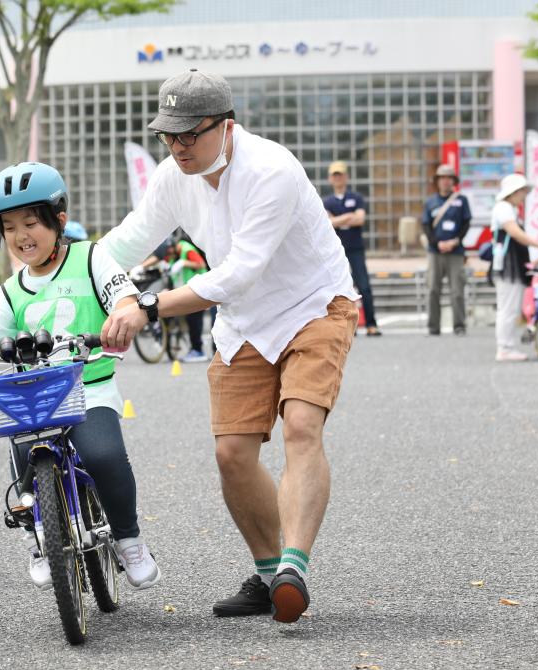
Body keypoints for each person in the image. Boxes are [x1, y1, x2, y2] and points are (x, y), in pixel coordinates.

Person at [97, 69, 359, 623]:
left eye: (190, 134)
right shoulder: (174, 175)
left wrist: (148, 305)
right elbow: (127, 241)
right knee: (232, 455)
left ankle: (294, 565)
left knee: (301, 424)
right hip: (243, 321)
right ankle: (269, 578)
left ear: (227, 126)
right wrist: (66, 269)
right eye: (169, 135)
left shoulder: (271, 169)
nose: (178, 147)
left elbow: (241, 270)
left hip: (314, 305)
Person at [0, 162, 161, 591]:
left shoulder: (91, 257)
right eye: (10, 226)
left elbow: (122, 294)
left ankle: (129, 540)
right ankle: (42, 540)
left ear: (59, 219)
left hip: (89, 385)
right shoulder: (11, 289)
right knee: (24, 466)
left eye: (31, 222)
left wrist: (127, 315)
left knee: (104, 455)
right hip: (35, 395)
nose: (21, 235)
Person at [489, 174, 538, 362]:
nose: (524, 196)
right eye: (522, 192)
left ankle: (506, 346)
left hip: (512, 265)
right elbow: (515, 233)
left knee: (510, 307)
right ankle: (504, 348)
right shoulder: (504, 208)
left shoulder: (509, 209)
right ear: (513, 192)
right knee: (508, 308)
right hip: (508, 266)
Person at [324, 161, 380, 336]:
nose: (338, 178)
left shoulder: (356, 198)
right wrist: (349, 216)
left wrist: (338, 219)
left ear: (346, 177)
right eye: (335, 175)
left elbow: (360, 219)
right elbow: (327, 223)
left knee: (363, 285)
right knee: (338, 288)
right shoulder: (327, 201)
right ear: (330, 179)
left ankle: (371, 324)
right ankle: (345, 326)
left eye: (340, 175)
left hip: (355, 248)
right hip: (337, 250)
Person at [421, 165, 472, 336]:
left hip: (456, 251)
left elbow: (466, 224)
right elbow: (426, 226)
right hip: (435, 251)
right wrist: (437, 244)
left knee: (457, 289)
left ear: (453, 181)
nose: (445, 181)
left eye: (448, 178)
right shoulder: (430, 202)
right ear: (437, 181)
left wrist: (455, 241)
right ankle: (433, 326)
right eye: (442, 178)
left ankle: (459, 325)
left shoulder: (461, 200)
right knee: (432, 289)